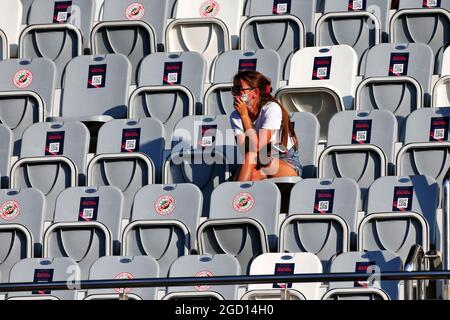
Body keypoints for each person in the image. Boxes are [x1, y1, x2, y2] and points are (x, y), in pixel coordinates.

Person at [230, 70, 302, 181]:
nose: (235, 94)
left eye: (239, 90)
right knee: (252, 174)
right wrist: (243, 116)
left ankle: (234, 196)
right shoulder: (235, 116)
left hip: (285, 160)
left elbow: (257, 147)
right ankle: (239, 196)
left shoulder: (271, 109)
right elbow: (245, 150)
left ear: (255, 93)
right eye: (234, 89)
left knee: (249, 159)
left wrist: (245, 117)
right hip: (257, 160)